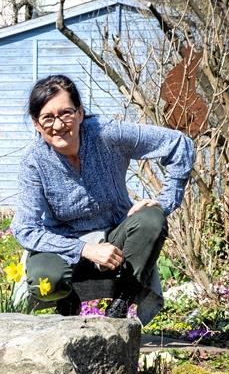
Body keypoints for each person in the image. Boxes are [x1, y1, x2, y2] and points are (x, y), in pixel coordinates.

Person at [10, 74, 194, 322]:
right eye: (48, 118)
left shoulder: (108, 135)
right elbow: (25, 229)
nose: (58, 125)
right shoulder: (33, 162)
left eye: (66, 113)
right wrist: (85, 249)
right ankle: (67, 300)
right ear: (36, 123)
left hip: (115, 236)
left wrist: (166, 200)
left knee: (152, 218)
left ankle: (123, 301)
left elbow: (178, 144)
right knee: (47, 278)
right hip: (62, 246)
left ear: (80, 113)